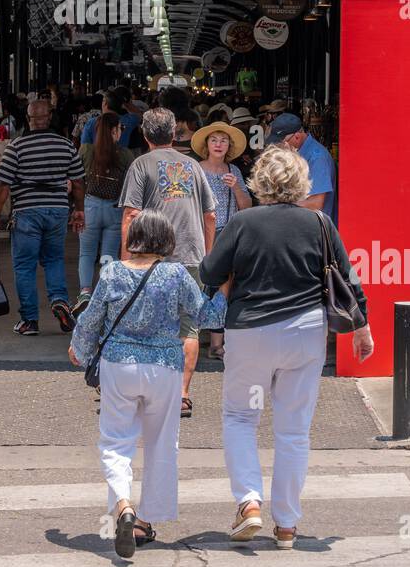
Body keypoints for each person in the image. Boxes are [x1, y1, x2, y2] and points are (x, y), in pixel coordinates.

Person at [199, 144, 372, 547]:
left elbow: (210, 271)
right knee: (294, 431)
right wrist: (362, 327)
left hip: (251, 332)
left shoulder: (244, 223)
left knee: (242, 418)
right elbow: (348, 279)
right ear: (300, 183)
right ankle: (288, 525)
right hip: (304, 333)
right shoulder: (320, 224)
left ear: (260, 182)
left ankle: (249, 502)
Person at [68, 209, 227, 558]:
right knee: (162, 443)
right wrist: (227, 290)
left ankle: (124, 505)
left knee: (116, 440)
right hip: (165, 368)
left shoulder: (111, 273)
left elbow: (92, 319)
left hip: (119, 366)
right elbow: (207, 317)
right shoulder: (176, 275)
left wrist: (78, 349)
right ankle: (146, 519)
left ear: (133, 239)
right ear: (166, 240)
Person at [118, 107, 216, 420]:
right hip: (192, 256)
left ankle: (151, 391)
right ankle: (182, 395)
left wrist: (124, 260)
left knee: (149, 324)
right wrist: (208, 256)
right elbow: (210, 216)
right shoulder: (192, 166)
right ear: (173, 135)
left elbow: (131, 215)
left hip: (151, 259)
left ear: (145, 135)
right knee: (188, 326)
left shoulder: (140, 165)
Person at [0, 97, 85, 336]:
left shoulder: (16, 147)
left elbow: (2, 185)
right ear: (49, 117)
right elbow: (78, 181)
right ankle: (59, 301)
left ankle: (30, 321)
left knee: (24, 266)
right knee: (53, 260)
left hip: (26, 211)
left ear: (28, 119)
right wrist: (79, 209)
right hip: (57, 210)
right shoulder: (66, 145)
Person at [190, 120, 252, 360]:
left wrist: (236, 188)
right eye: (214, 139)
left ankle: (216, 344)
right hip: (200, 232)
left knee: (223, 287)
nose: (218, 144)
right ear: (207, 144)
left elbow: (246, 206)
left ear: (229, 146)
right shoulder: (196, 169)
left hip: (227, 234)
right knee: (198, 284)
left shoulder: (233, 171)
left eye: (223, 140)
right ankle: (190, 338)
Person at [75, 111, 134, 316]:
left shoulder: (86, 150)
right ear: (114, 131)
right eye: (120, 128)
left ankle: (85, 292)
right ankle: (104, 294)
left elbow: (76, 180)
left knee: (86, 253)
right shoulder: (125, 155)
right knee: (108, 254)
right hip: (114, 209)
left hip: (89, 206)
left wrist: (77, 207)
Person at [265, 112, 336, 217]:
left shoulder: (317, 158)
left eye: (281, 143)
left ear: (297, 137)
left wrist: (280, 206)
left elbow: (316, 204)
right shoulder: (297, 152)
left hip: (314, 227)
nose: (279, 147)